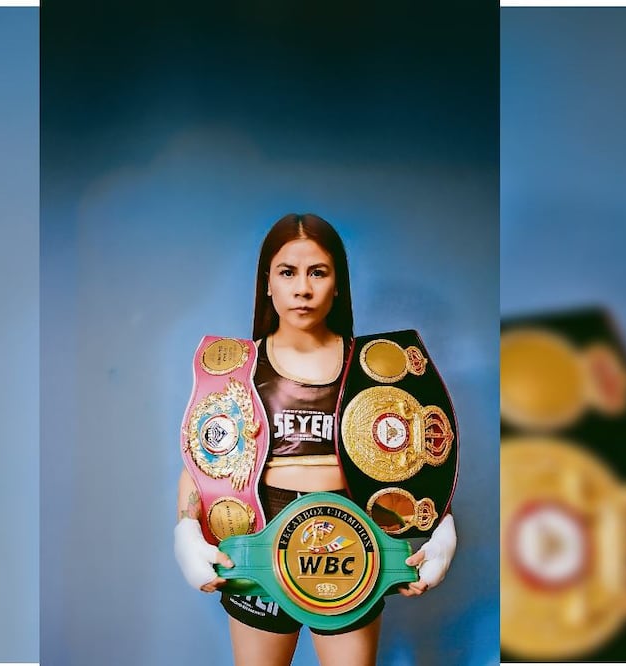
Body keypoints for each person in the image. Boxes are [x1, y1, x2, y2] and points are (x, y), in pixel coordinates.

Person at [174, 213, 458, 666]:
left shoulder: (375, 367)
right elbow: (203, 464)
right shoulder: (236, 368)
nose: (302, 288)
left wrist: (441, 532)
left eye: (317, 272)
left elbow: (422, 464)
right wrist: (187, 531)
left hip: (353, 546)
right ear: (267, 282)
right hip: (259, 541)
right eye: (287, 272)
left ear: (338, 284)